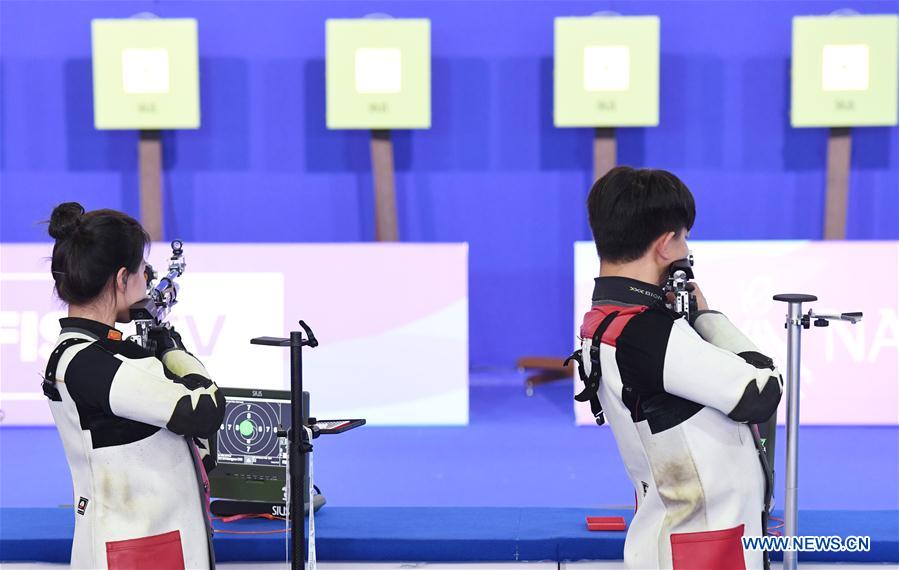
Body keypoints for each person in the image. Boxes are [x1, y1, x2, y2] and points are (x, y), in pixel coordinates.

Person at [575, 167, 781, 569]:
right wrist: (706, 316)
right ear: (666, 244)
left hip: (675, 538)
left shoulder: (602, 320)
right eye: (684, 237)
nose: (686, 250)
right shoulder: (649, 333)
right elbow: (762, 391)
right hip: (702, 550)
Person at [41, 202, 225, 569]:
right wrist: (173, 350)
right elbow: (204, 409)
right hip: (140, 549)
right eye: (143, 272)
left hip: (144, 541)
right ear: (122, 279)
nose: (148, 283)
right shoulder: (91, 362)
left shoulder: (97, 354)